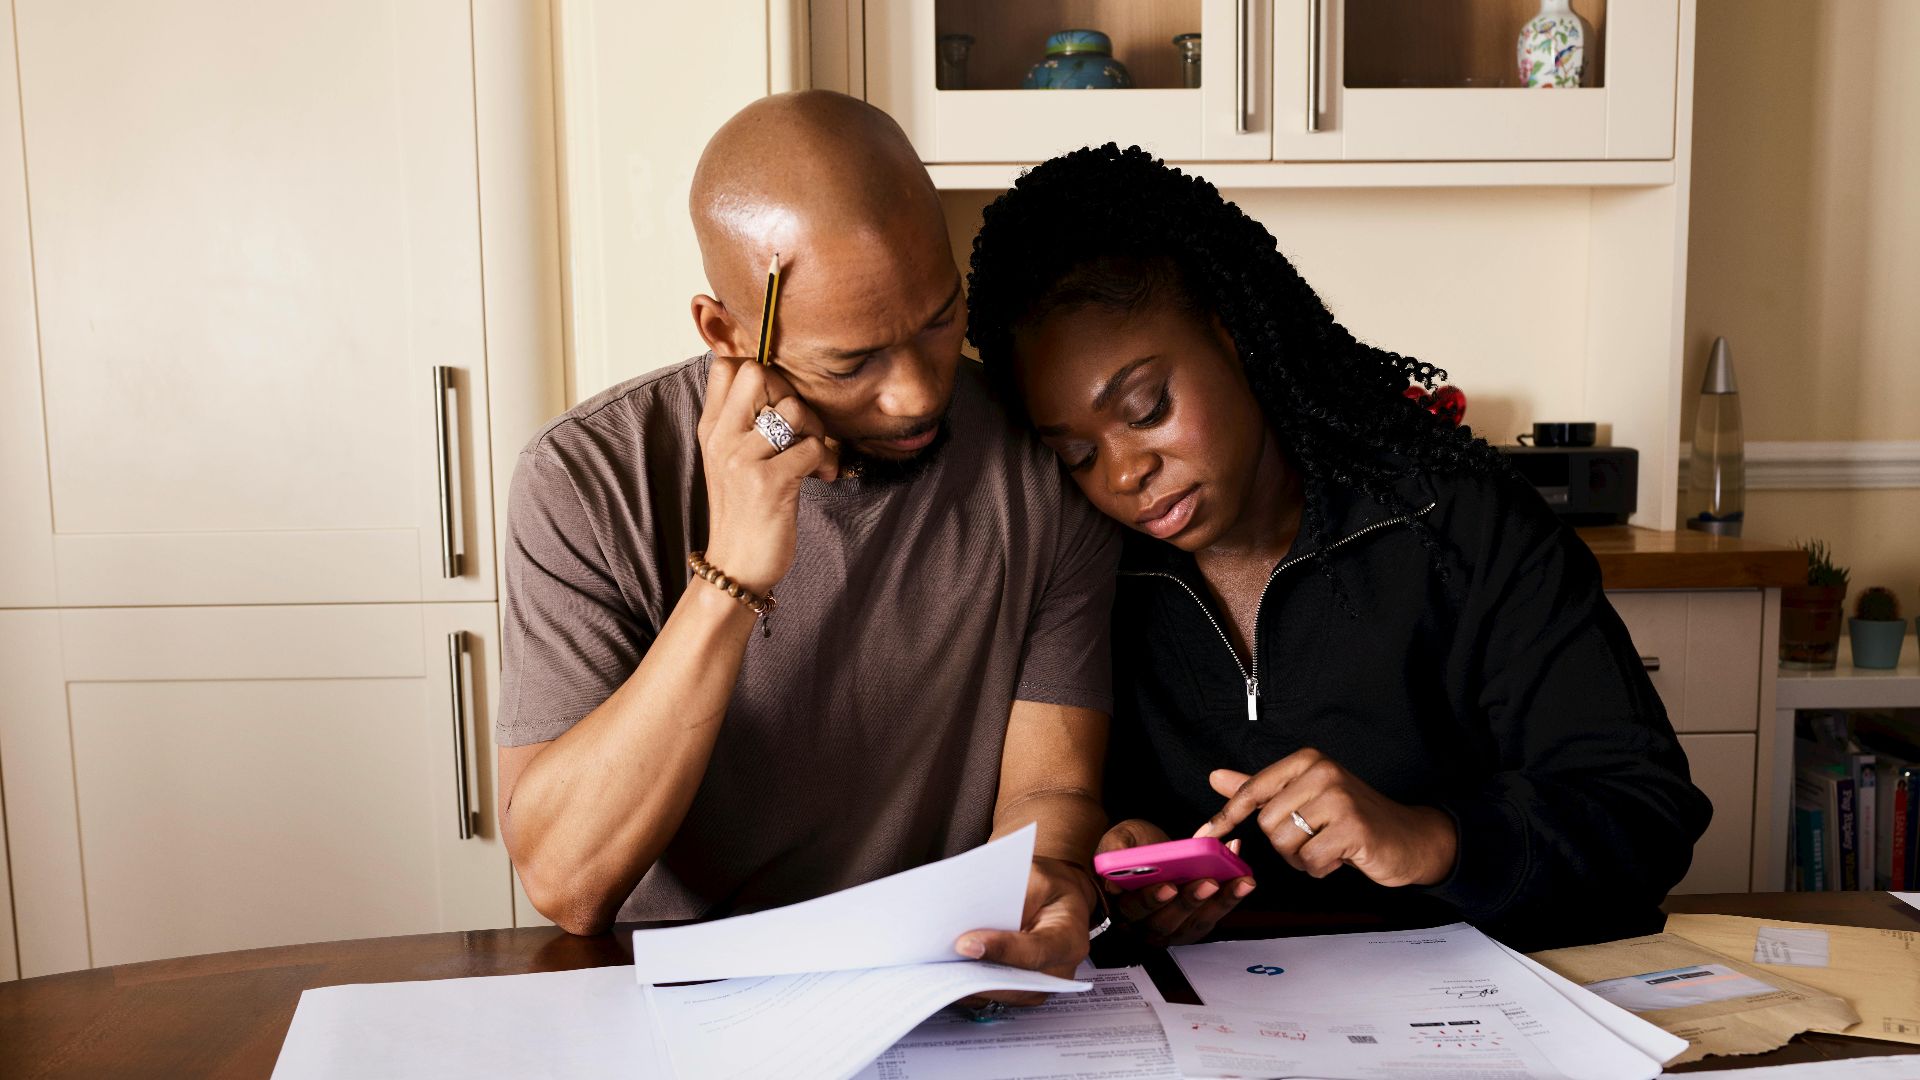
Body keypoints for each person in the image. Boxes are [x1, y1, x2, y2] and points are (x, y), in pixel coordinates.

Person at [965, 144, 1712, 952]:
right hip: (1203, 1028)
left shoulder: (1453, 521)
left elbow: (1646, 814)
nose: (1123, 473)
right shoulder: (1087, 571)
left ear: (1234, 334)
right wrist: (1124, 862)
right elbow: (1064, 816)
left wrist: (1429, 840)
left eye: (1147, 407)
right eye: (1075, 454)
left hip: (1468, 1011)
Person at [493, 92, 1119, 997]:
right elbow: (569, 884)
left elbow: (1047, 792)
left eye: (940, 320)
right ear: (726, 332)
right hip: (677, 1004)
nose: (913, 394)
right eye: (851, 361)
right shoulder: (586, 479)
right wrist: (734, 571)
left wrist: (1052, 881)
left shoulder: (1042, 461)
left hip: (940, 983)